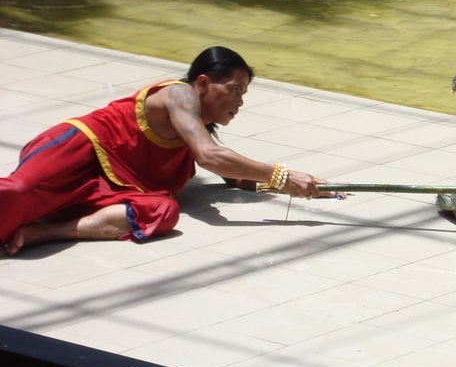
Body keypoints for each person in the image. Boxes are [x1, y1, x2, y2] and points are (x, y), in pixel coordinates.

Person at [0, 46, 340, 255]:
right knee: (20, 191)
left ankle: (42, 233)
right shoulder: (180, 95)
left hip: (112, 189)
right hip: (79, 149)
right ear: (204, 83)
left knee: (164, 211)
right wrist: (280, 173)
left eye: (244, 94)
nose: (239, 101)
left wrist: (304, 185)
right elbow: (211, 156)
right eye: (234, 90)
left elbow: (232, 175)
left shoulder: (195, 130)